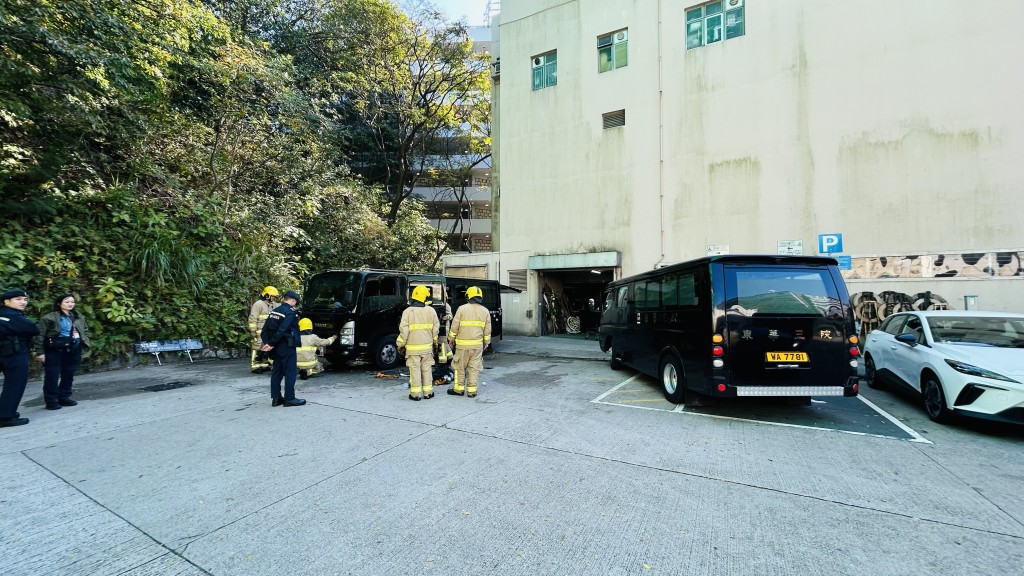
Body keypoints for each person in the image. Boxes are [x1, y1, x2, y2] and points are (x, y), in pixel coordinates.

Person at [34, 293, 90, 410]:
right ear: (59, 303)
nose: (70, 304)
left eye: (72, 302)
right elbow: (40, 335)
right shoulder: (49, 317)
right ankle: (51, 401)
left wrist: (83, 341)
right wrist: (40, 352)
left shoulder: (78, 316)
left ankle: (64, 397)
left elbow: (84, 330)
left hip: (74, 349)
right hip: (55, 350)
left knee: (68, 374)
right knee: (52, 376)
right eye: (67, 301)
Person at [0, 289, 39, 427]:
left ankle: (5, 411)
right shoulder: (10, 315)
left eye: (25, 299)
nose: (23, 302)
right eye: (18, 299)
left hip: (8, 353)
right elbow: (32, 329)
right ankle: (5, 417)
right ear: (7, 301)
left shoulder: (9, 314)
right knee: (15, 384)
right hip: (13, 354)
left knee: (11, 384)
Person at [260, 290, 305, 407]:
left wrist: (269, 344)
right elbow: (282, 330)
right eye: (295, 302)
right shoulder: (289, 312)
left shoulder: (274, 311)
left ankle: (276, 399)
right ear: (293, 300)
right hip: (286, 345)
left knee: (277, 372)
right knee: (290, 372)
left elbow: (265, 330)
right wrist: (271, 343)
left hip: (275, 347)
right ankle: (289, 398)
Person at [447, 286, 491, 398]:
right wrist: (486, 342)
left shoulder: (462, 309)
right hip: (477, 346)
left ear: (468, 296)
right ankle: (472, 391)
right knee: (474, 368)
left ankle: (458, 390)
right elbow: (487, 330)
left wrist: (451, 339)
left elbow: (454, 326)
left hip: (462, 346)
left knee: (459, 367)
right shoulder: (485, 311)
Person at [397, 285, 440, 401]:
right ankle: (428, 393)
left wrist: (400, 345)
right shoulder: (431, 311)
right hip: (427, 348)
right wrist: (435, 343)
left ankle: (416, 395)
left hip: (412, 349)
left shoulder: (407, 312)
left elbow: (404, 331)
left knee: (415, 370)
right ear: (425, 297)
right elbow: (435, 330)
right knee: (427, 369)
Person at [248, 286, 279, 373]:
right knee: (257, 347)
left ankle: (264, 364)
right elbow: (253, 318)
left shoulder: (274, 305)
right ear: (267, 295)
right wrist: (253, 331)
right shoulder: (258, 304)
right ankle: (255, 366)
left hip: (269, 331)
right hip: (259, 331)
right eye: (273, 296)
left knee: (267, 348)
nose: (274, 298)